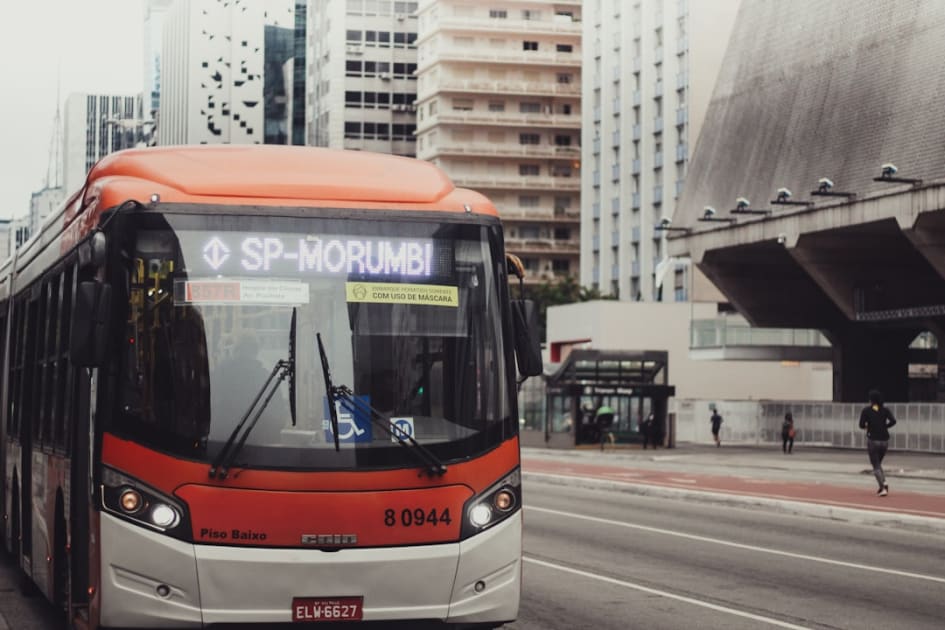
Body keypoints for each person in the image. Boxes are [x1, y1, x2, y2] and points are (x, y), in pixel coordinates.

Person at [858, 389, 897, 496]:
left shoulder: (866, 410)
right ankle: (884, 482)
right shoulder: (885, 410)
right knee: (878, 464)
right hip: (884, 440)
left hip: (873, 440)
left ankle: (883, 487)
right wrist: (885, 426)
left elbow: (861, 425)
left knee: (875, 465)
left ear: (871, 399)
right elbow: (893, 421)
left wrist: (869, 426)